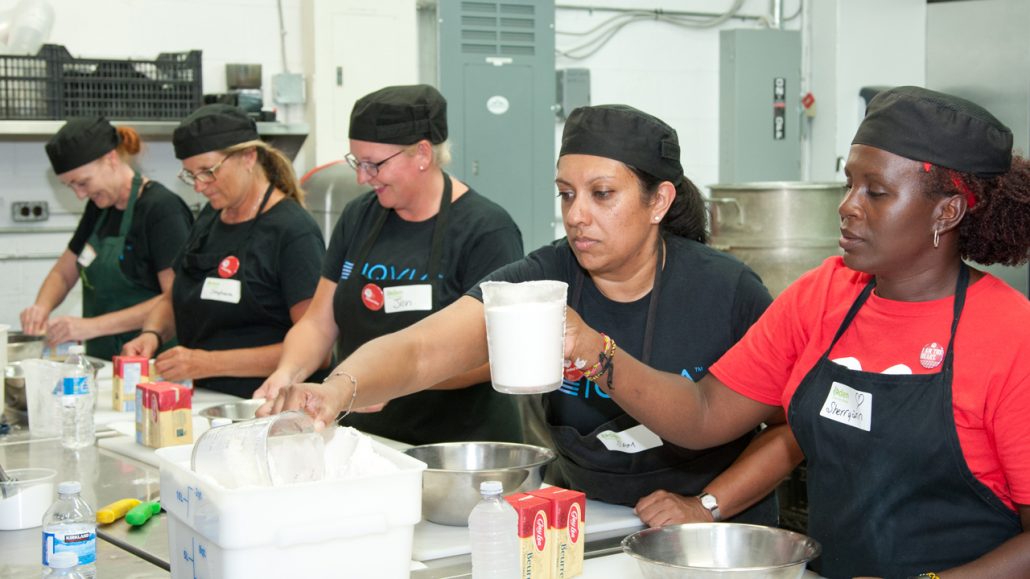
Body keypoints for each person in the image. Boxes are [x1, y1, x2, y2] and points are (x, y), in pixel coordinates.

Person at [559, 87, 1029, 577]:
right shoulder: (824, 295)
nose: (848, 206)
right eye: (849, 184)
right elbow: (702, 414)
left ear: (947, 211)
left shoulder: (1010, 335)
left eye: (876, 191)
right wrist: (597, 353)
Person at [262, 104, 802, 526]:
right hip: (589, 519)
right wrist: (338, 389)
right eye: (566, 195)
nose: (577, 216)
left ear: (659, 201)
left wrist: (707, 505)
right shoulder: (544, 280)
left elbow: (789, 429)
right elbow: (422, 347)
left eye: (602, 194)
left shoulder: (726, 292)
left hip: (706, 535)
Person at [256, 84, 526, 445]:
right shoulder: (359, 217)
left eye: (374, 164)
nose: (361, 178)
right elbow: (319, 323)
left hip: (453, 446)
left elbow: (498, 357)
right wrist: (288, 373)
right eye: (357, 162)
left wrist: (386, 377)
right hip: (364, 438)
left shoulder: (486, 230)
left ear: (423, 154)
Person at [122, 104, 325, 398]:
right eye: (191, 175)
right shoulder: (211, 216)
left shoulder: (293, 231)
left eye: (208, 172)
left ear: (248, 157)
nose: (200, 186)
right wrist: (152, 333)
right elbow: (174, 297)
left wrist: (206, 363)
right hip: (203, 397)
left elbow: (318, 347)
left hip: (262, 404)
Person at [21, 117, 193, 360]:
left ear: (111, 159)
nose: (80, 195)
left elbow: (176, 298)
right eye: (71, 186)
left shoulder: (162, 210)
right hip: (104, 360)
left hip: (152, 362)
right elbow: (63, 272)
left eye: (82, 182)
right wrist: (41, 307)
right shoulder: (99, 207)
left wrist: (90, 326)